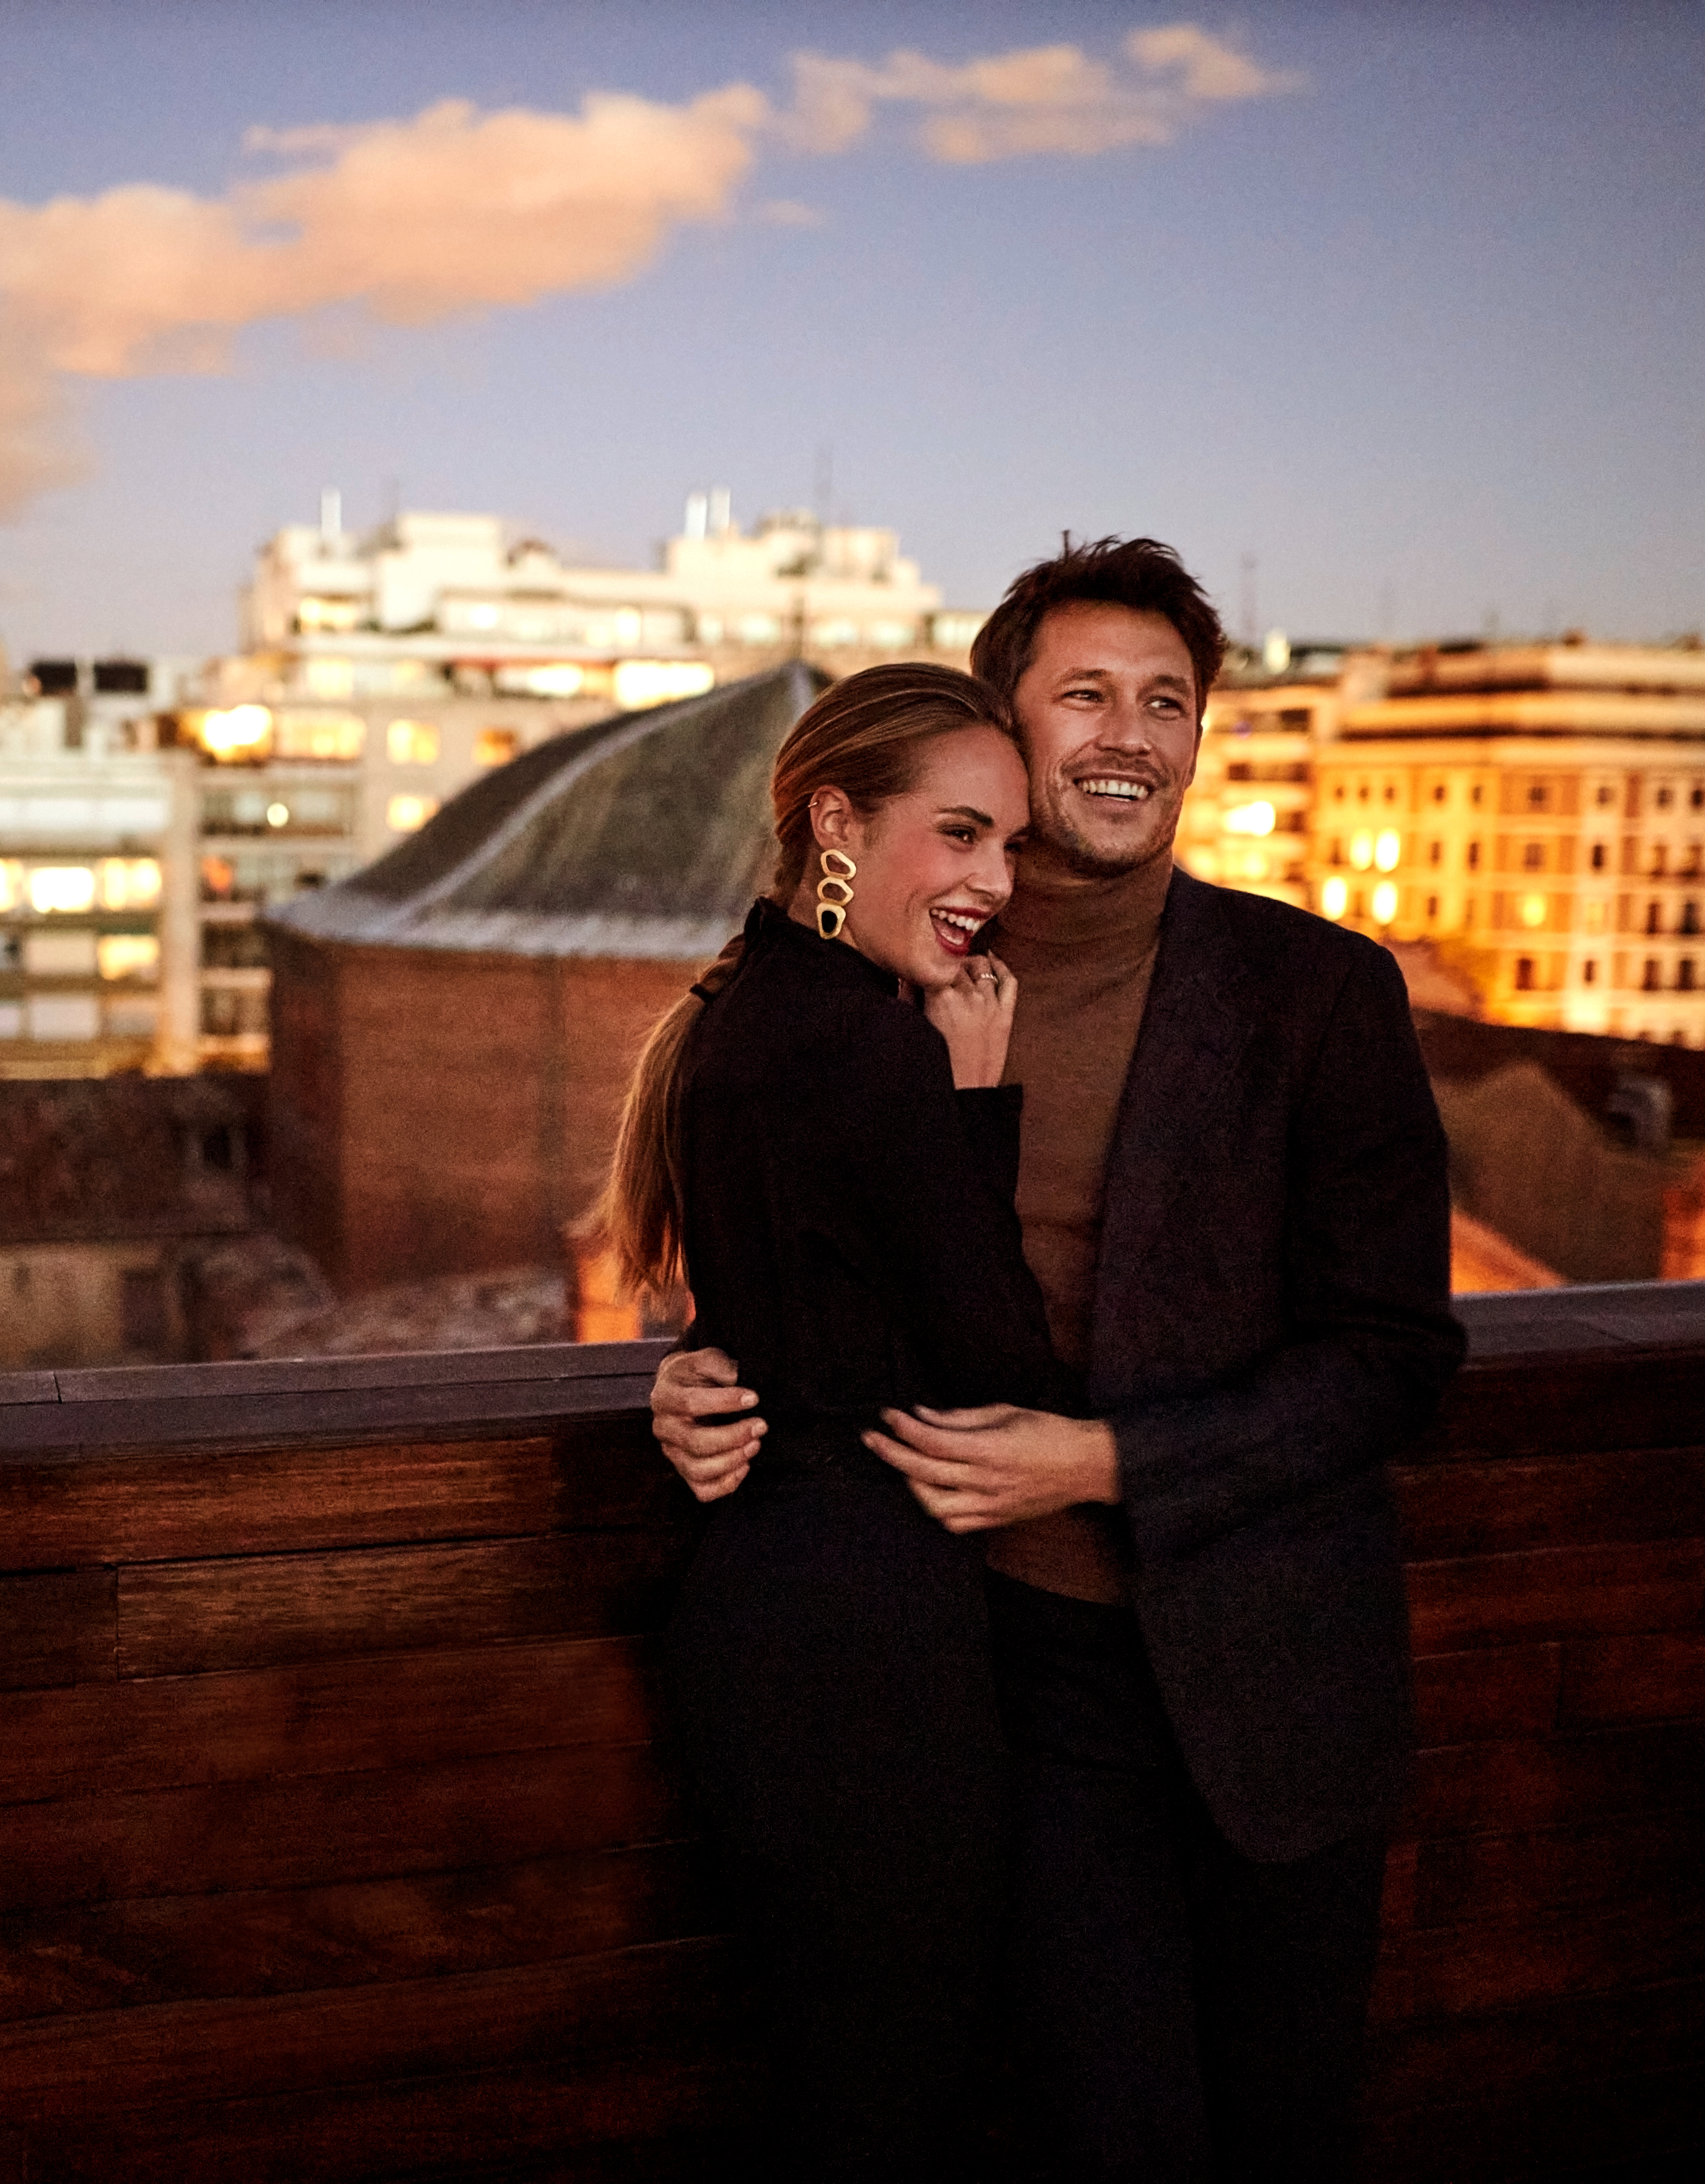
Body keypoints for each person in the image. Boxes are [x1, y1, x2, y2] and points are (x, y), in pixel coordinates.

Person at [651, 539, 1465, 2180]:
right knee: (1110, 2132)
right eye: (1085, 693)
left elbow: (1396, 1360)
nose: (1131, 734)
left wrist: (1112, 1461)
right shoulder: (892, 993)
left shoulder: (1317, 992)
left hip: (1273, 1676)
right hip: (1016, 1671)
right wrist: (695, 1377)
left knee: (1285, 2128)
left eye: (1168, 702)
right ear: (1002, 729)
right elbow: (806, 1266)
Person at [595, 663, 1058, 2180]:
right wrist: (978, 1101)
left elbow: (794, 1312)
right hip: (864, 1641)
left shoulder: (740, 1010)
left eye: (1010, 848)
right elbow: (998, 1363)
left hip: (767, 1610)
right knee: (893, 2089)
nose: (993, 880)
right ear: (837, 823)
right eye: (964, 835)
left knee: (835, 2069)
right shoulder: (872, 1046)